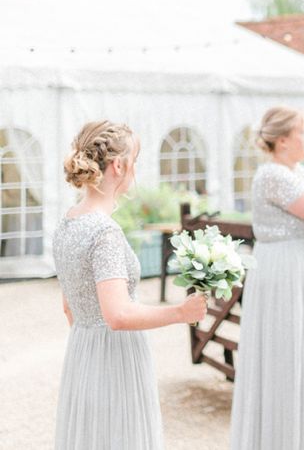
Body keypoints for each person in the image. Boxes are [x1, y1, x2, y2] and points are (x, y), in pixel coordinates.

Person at [53, 120, 207, 450]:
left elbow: (69, 306)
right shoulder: (104, 233)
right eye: (134, 160)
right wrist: (182, 311)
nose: (135, 169)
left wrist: (90, 351)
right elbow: (119, 315)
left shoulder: (67, 222)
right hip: (115, 357)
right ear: (119, 165)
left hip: (82, 354)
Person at [230, 107, 304, 450]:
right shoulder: (273, 175)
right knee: (285, 358)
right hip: (284, 275)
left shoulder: (296, 172)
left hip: (302, 270)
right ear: (282, 141)